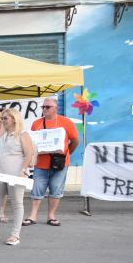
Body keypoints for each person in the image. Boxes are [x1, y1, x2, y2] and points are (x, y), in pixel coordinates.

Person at [0, 108, 35, 246]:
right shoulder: (3, 134)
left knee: (17, 204)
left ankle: (15, 235)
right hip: (0, 174)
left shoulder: (23, 134)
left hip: (16, 176)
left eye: (5, 118)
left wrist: (23, 170)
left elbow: (29, 154)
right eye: (1, 118)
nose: (2, 120)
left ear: (14, 119)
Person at [24, 97, 80, 227]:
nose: (44, 109)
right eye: (43, 107)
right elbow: (33, 143)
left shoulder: (66, 122)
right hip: (41, 163)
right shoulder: (36, 123)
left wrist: (67, 154)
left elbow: (75, 141)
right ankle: (33, 216)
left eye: (47, 107)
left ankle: (51, 216)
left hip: (60, 163)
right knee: (37, 189)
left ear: (56, 108)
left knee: (56, 189)